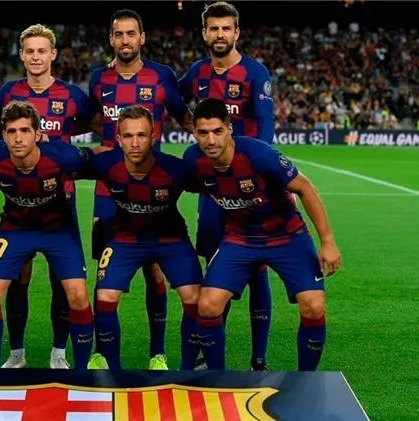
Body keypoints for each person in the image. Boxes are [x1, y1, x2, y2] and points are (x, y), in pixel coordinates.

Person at [182, 98, 341, 371]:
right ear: (194, 133)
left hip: (287, 236)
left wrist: (327, 242)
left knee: (313, 305)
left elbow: (305, 188)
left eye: (217, 131)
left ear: (229, 129)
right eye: (203, 133)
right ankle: (217, 377)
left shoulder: (258, 155)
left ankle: (307, 378)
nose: (211, 140)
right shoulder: (193, 160)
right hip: (240, 238)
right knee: (208, 305)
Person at [87, 9, 189, 370]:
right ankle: (102, 350)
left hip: (152, 187)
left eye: (131, 33)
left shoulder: (162, 75)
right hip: (109, 188)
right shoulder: (98, 78)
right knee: (105, 268)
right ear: (111, 39)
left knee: (155, 270)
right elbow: (90, 117)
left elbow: (183, 116)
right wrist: (106, 145)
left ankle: (157, 352)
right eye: (119, 34)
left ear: (142, 38)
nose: (125, 40)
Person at [178, 1, 276, 370]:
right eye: (214, 28)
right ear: (205, 33)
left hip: (249, 188)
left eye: (226, 28)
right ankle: (211, 347)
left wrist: (258, 173)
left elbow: (265, 127)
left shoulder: (254, 72)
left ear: (236, 32)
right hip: (213, 190)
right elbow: (171, 98)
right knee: (216, 265)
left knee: (257, 268)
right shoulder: (197, 73)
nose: (220, 34)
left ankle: (258, 358)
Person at [0, 24, 94, 369]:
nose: (36, 57)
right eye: (30, 51)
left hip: (60, 201)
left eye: (42, 51)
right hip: (18, 202)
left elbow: (89, 123)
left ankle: (58, 352)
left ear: (53, 55)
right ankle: (16, 354)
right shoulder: (8, 93)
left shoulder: (72, 95)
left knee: (61, 279)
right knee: (18, 277)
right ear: (22, 55)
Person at [0, 101, 95, 372]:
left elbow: (100, 160)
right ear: (3, 135)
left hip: (58, 230)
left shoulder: (63, 157)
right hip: (15, 228)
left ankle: (75, 367)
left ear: (38, 134)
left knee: (77, 295)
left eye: (25, 131)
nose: (18, 138)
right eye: (12, 131)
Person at [83, 106, 202, 371]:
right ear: (118, 138)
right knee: (105, 296)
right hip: (125, 238)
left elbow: (217, 184)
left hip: (170, 239)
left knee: (194, 298)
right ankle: (111, 368)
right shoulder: (106, 163)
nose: (135, 143)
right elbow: (64, 165)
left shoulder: (175, 169)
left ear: (153, 137)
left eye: (141, 135)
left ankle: (186, 370)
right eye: (128, 136)